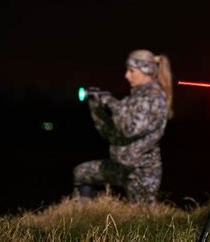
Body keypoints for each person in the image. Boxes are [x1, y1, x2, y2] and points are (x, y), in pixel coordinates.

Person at [73, 49, 173, 203]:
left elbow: (128, 129)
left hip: (142, 173)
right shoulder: (134, 98)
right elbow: (112, 135)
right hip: (123, 167)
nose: (127, 75)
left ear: (145, 71)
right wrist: (96, 109)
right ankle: (83, 214)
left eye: (131, 71)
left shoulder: (153, 98)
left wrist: (109, 101)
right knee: (81, 172)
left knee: (141, 219)